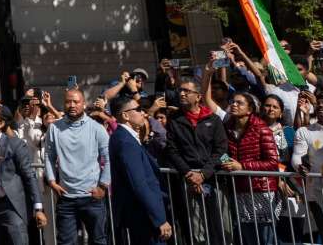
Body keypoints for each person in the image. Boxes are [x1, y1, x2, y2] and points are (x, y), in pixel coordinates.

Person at [163, 75, 228, 245]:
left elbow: (221, 150)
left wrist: (204, 174)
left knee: (222, 225)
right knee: (198, 229)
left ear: (199, 96)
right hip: (189, 180)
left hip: (214, 180)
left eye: (186, 91)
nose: (182, 94)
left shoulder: (213, 120)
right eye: (180, 90)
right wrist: (189, 173)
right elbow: (172, 150)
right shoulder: (174, 120)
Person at [0, 100, 46, 245]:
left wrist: (38, 208)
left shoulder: (14, 144)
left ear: (0, 124)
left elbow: (29, 176)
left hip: (12, 206)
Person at [45, 88, 110, 245]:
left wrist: (102, 186)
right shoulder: (54, 128)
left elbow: (108, 158)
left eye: (76, 101)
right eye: (68, 101)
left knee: (98, 241)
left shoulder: (96, 128)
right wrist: (52, 182)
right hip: (66, 199)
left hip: (92, 198)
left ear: (84, 104)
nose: (72, 105)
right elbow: (49, 156)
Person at [109, 96, 171, 245]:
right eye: (137, 110)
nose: (143, 113)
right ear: (125, 116)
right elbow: (139, 183)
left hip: (141, 214)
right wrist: (159, 219)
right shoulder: (125, 141)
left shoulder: (124, 137)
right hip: (143, 216)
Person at [223, 91, 281, 245]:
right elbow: (222, 152)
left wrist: (242, 166)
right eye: (232, 102)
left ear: (249, 110)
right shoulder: (226, 128)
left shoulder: (261, 128)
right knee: (248, 237)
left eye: (239, 103)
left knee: (266, 237)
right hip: (240, 190)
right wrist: (225, 162)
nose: (234, 105)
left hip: (261, 190)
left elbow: (272, 162)